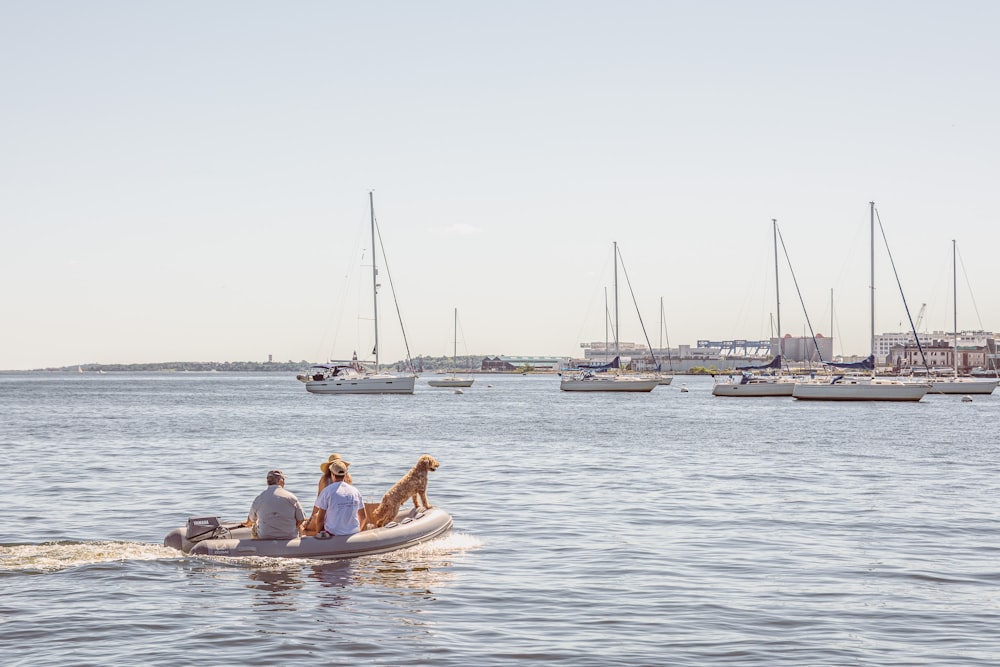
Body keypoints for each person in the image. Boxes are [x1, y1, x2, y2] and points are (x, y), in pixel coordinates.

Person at [313, 458, 366, 537]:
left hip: (333, 534)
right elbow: (363, 517)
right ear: (345, 475)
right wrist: (358, 531)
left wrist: (319, 536)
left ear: (332, 475)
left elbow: (320, 520)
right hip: (353, 533)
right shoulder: (355, 491)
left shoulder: (327, 491)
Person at [247, 469, 306, 540]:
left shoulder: (259, 498)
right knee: (301, 527)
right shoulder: (291, 497)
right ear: (280, 481)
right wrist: (292, 529)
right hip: (289, 537)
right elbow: (301, 519)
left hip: (265, 537)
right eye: (283, 479)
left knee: (255, 526)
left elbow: (251, 520)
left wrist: (248, 523)